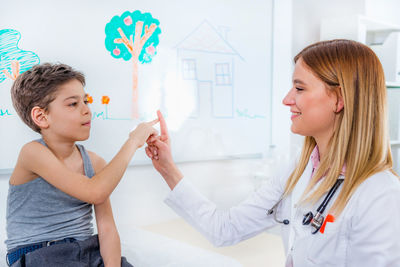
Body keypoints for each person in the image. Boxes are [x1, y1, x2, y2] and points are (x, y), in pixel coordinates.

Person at [146, 39, 400, 266]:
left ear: (339, 100)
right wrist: (167, 168)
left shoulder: (380, 194)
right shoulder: (298, 172)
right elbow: (225, 229)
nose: (287, 99)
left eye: (299, 89)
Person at [5, 63, 158, 266]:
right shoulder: (32, 153)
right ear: (41, 116)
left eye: (85, 101)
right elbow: (95, 192)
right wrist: (133, 142)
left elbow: (107, 229)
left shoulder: (94, 162)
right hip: (41, 253)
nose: (86, 110)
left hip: (87, 250)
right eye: (73, 104)